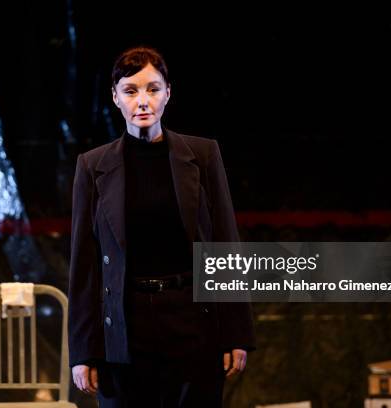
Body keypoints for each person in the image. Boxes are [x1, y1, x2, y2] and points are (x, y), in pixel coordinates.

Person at [68, 46, 255, 407]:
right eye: (131, 90)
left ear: (168, 92)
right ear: (115, 97)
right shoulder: (93, 166)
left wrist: (236, 333)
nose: (142, 101)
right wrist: (83, 351)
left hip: (192, 322)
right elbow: (85, 264)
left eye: (153, 89)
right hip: (125, 327)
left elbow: (224, 243)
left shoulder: (201, 155)